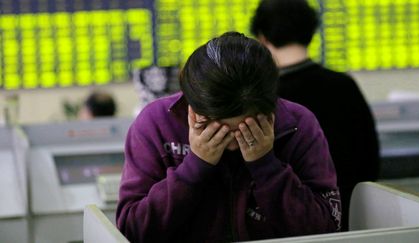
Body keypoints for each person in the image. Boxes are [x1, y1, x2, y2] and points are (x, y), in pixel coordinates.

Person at [116, 32, 341, 243]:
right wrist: (194, 167)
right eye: (215, 129)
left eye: (245, 129)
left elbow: (326, 231)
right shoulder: (156, 123)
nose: (232, 145)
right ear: (191, 107)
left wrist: (266, 166)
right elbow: (132, 232)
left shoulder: (298, 125)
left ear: (270, 111)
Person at [251, 0, 380, 231]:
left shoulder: (262, 96)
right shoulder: (344, 86)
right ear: (311, 32)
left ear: (262, 38)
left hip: (283, 223)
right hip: (347, 219)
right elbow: (369, 161)